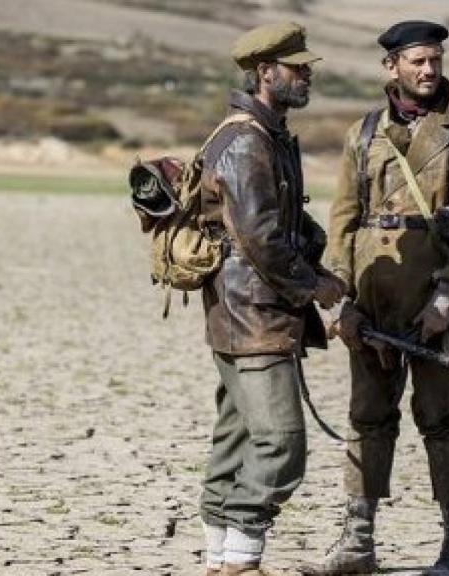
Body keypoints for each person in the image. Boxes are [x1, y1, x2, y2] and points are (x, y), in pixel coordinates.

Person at [299, 20, 449, 576]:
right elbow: (342, 222)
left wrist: (448, 300)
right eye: (416, 60)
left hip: (436, 302)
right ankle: (356, 544)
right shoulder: (363, 132)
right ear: (391, 67)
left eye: (434, 59)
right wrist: (340, 298)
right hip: (370, 299)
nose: (428, 69)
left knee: (441, 419)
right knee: (368, 418)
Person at [196, 21, 347, 576]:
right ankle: (241, 560)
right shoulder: (246, 141)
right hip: (252, 315)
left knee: (236, 438)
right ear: (266, 73)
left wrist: (316, 256)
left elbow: (280, 224)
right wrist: (315, 286)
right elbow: (260, 238)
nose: (306, 75)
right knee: (281, 443)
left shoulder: (267, 134)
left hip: (245, 313)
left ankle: (219, 560)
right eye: (297, 67)